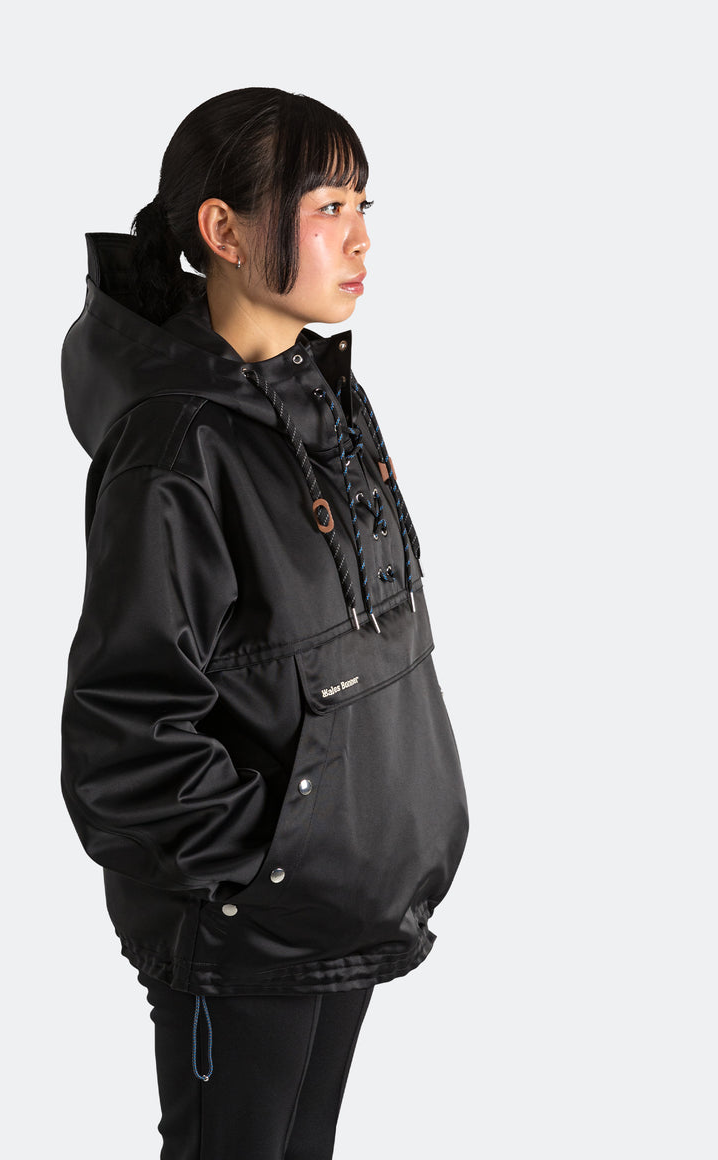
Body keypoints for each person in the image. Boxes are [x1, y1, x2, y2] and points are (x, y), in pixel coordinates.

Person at [60, 87, 469, 1159]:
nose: (360, 237)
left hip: (334, 906)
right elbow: (124, 739)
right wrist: (274, 862)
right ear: (224, 230)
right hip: (251, 929)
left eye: (363, 205)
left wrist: (334, 858)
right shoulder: (176, 449)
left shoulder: (315, 394)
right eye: (327, 206)